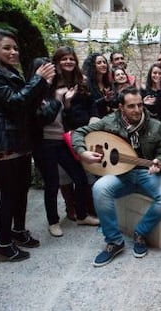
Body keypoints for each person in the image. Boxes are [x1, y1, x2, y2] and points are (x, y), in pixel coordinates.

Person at [71, 86, 161, 267]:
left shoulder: (155, 125)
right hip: (120, 174)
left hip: (146, 173)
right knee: (99, 188)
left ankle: (141, 233)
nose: (137, 110)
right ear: (121, 107)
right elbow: (79, 133)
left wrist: (159, 161)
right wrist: (82, 152)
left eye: (140, 105)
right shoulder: (109, 122)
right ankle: (114, 241)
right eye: (131, 106)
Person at [0, 28, 55, 262]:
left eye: (15, 48)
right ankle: (3, 245)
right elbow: (15, 102)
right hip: (2, 138)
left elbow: (26, 102)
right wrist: (37, 80)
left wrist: (42, 84)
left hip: (18, 136)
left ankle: (18, 232)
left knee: (21, 190)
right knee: (10, 193)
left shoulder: (7, 70)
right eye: (6, 48)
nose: (13, 52)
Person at [36, 47, 99, 237]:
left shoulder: (78, 83)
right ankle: (53, 221)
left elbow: (69, 114)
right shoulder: (44, 87)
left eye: (72, 58)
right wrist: (63, 99)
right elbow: (42, 116)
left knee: (79, 177)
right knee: (52, 183)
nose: (68, 62)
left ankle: (81, 215)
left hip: (63, 138)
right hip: (45, 141)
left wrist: (69, 103)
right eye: (64, 59)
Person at [140, 63, 161, 138]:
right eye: (155, 73)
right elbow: (138, 107)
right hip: (148, 126)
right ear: (150, 74)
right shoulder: (144, 89)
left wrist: (159, 89)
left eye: (160, 73)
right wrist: (143, 103)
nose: (157, 75)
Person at [84, 52, 114, 117]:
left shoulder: (107, 83)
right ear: (93, 66)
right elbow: (88, 105)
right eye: (99, 63)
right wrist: (104, 99)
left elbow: (111, 104)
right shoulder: (87, 83)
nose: (103, 65)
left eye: (104, 62)